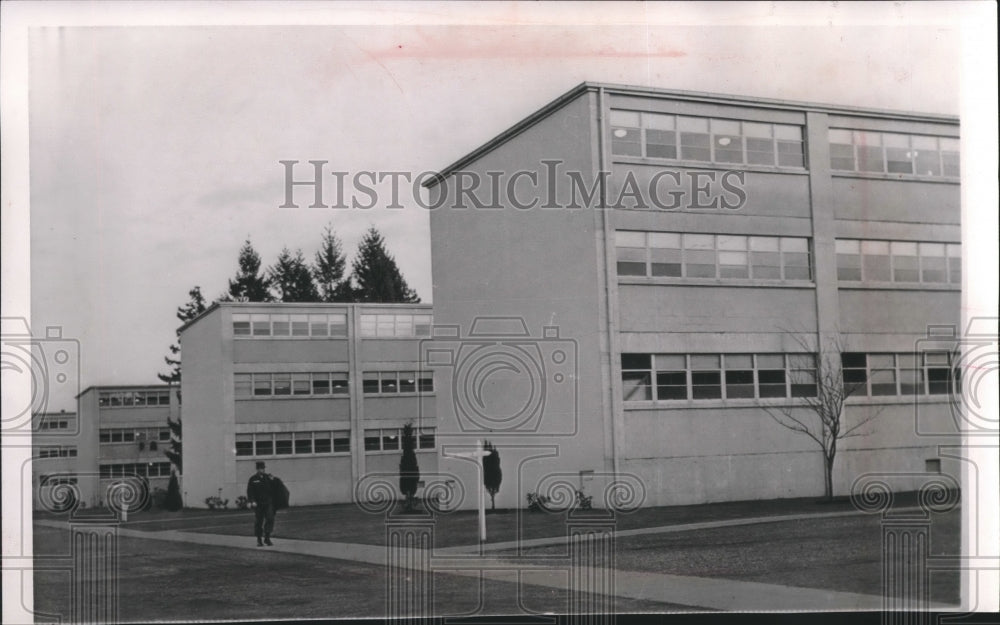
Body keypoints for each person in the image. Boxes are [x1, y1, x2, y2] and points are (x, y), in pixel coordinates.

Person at [246, 461, 275, 546]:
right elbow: (250, 492)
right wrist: (252, 501)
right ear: (257, 469)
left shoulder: (268, 477)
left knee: (270, 519)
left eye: (263, 468)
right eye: (260, 468)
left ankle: (267, 537)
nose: (262, 470)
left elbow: (274, 488)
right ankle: (259, 539)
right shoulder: (253, 479)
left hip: (268, 503)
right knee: (259, 521)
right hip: (258, 504)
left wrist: (273, 481)